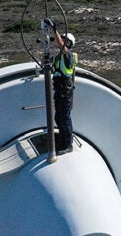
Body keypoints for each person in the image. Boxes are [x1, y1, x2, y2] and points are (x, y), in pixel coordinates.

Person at [47, 21, 78, 154]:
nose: (61, 42)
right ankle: (62, 140)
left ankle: (67, 145)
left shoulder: (67, 55)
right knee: (58, 117)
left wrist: (54, 29)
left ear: (69, 43)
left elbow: (60, 44)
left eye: (65, 40)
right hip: (59, 89)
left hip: (65, 90)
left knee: (64, 117)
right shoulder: (59, 57)